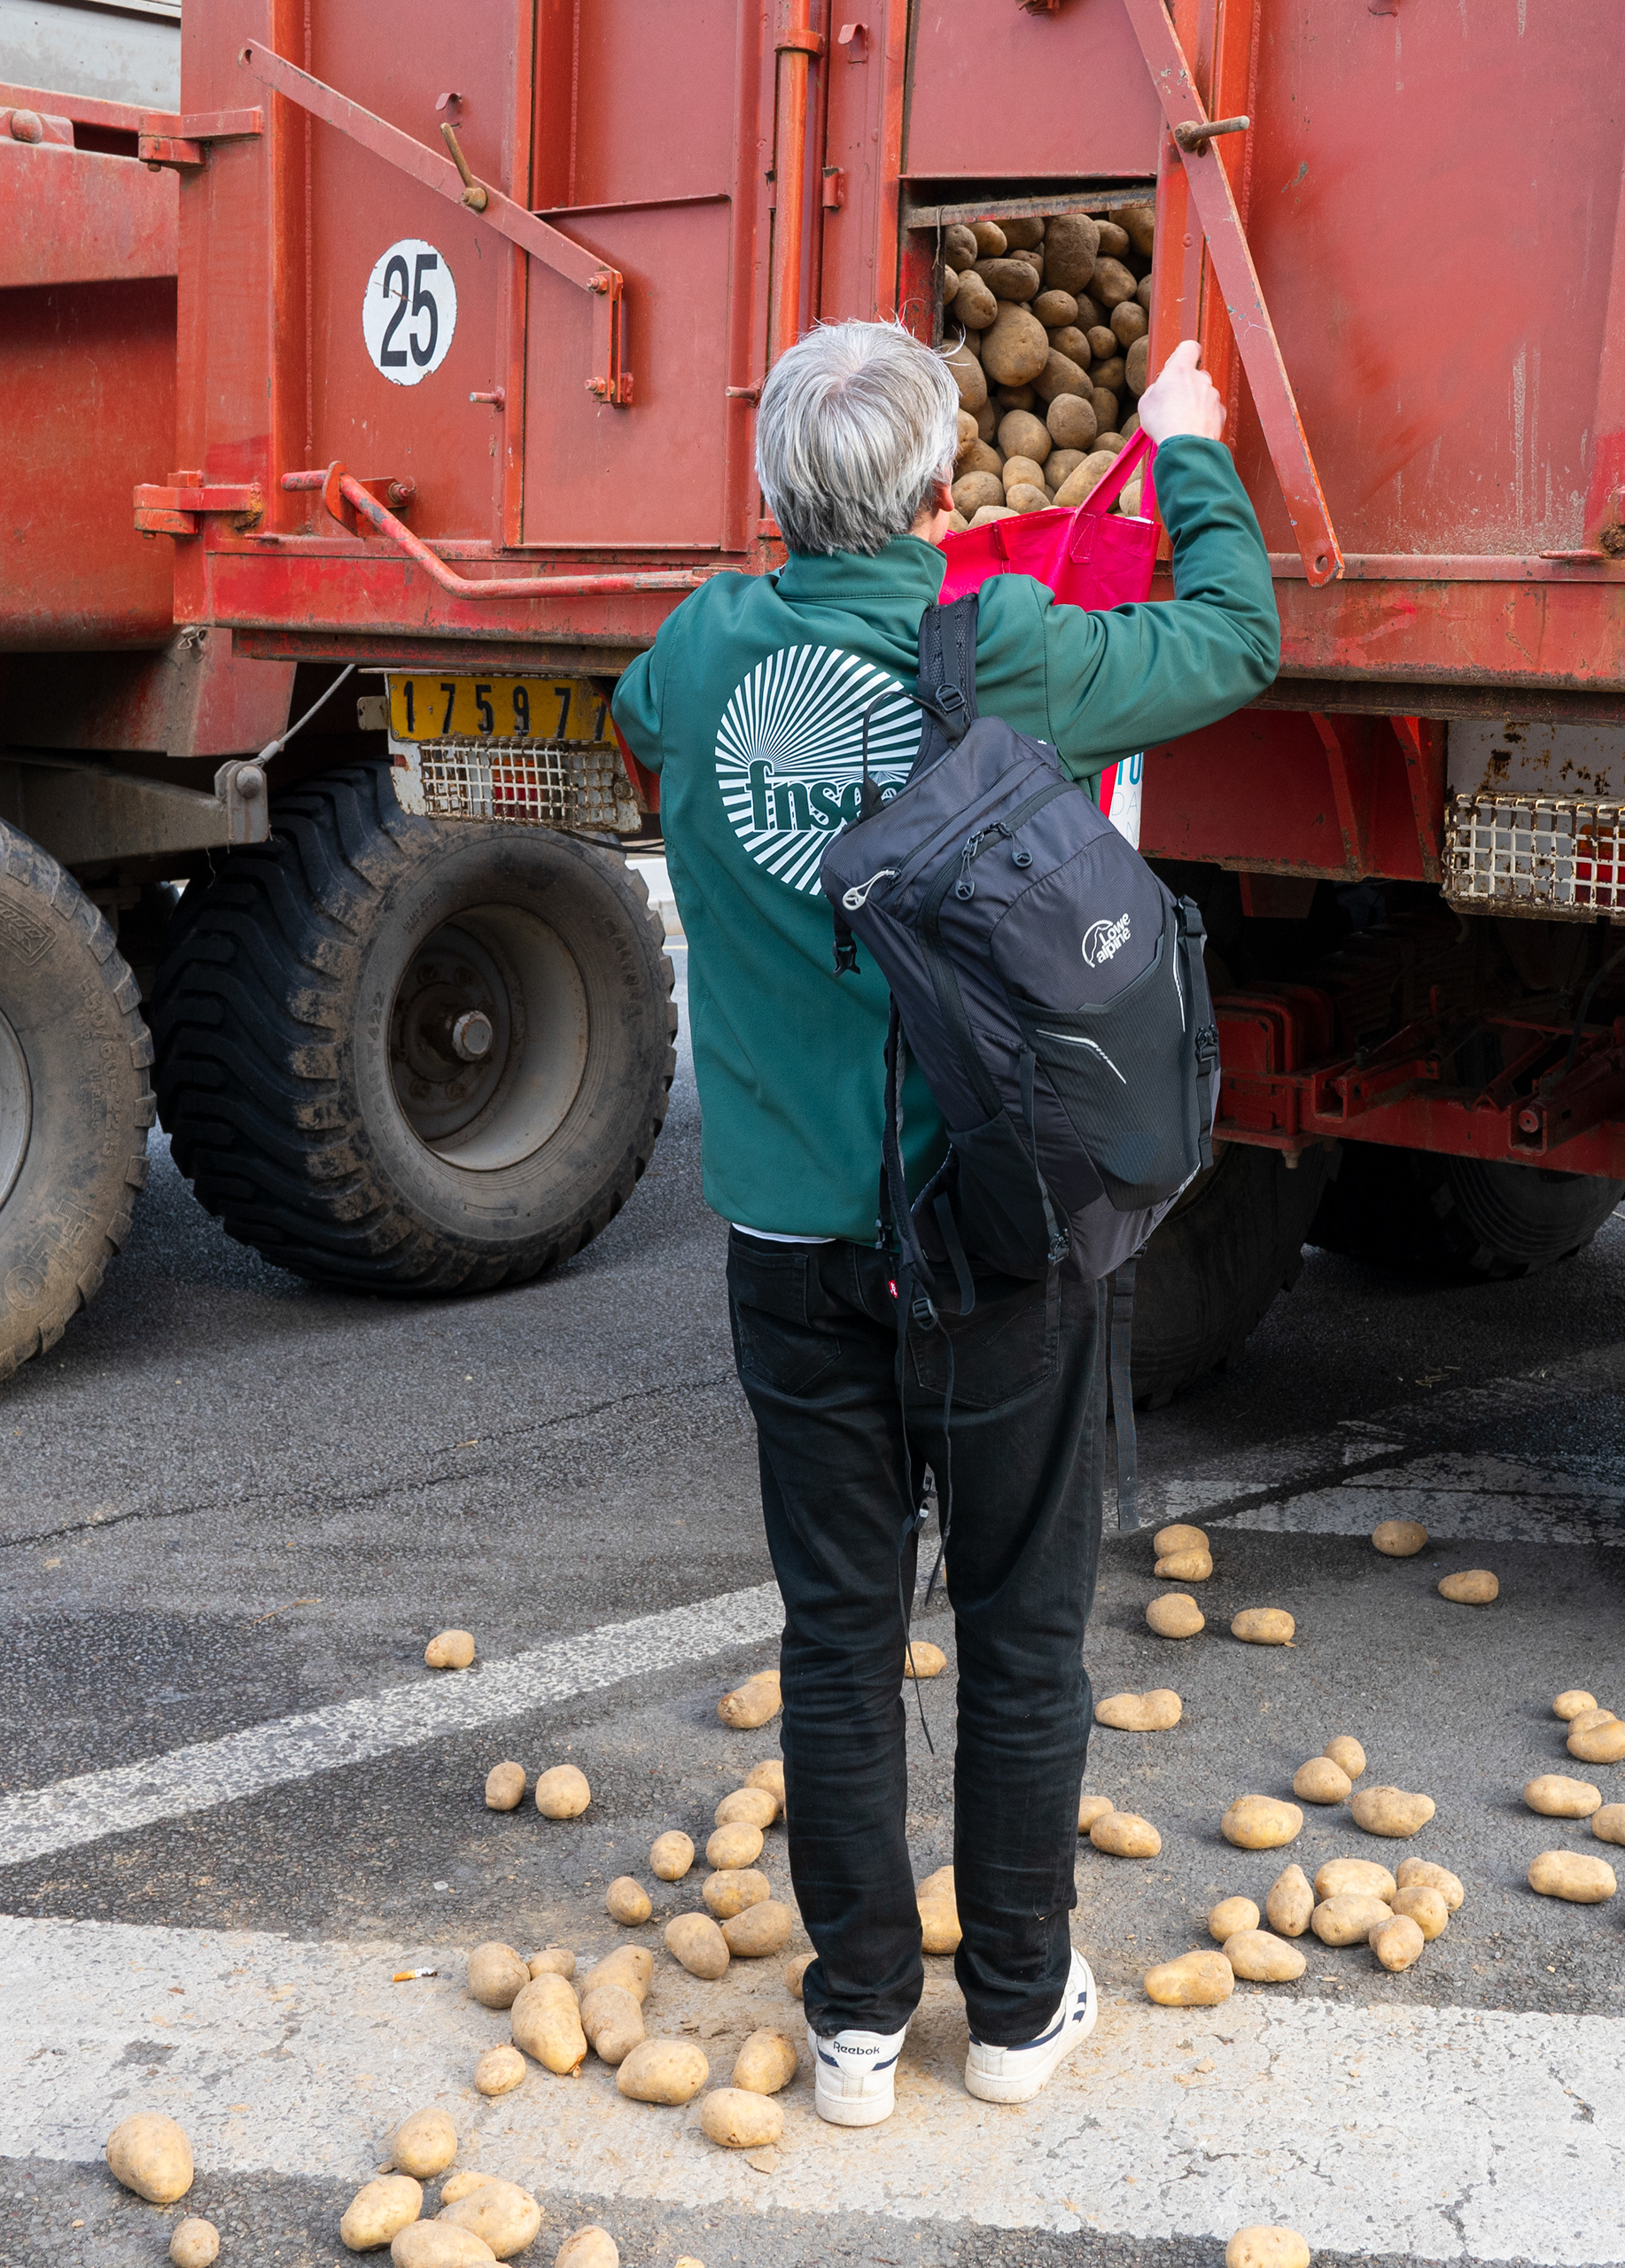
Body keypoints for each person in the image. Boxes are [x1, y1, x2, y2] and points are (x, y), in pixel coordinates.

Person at [612, 321, 1279, 2124]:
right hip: (988, 1238)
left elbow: (638, 724)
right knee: (1020, 1620)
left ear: (768, 496)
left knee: (836, 1628)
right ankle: (1011, 2009)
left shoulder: (693, 652)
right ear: (934, 492)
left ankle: (848, 2023)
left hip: (782, 1240)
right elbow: (1235, 639)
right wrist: (1189, 443)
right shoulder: (995, 652)